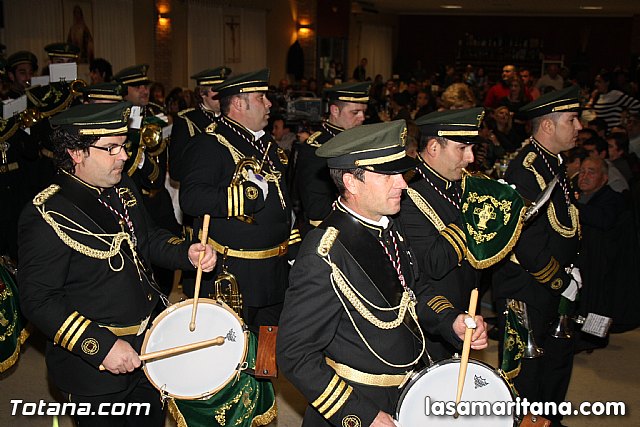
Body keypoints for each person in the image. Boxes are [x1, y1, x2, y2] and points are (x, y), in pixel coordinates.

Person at [277, 120, 488, 427]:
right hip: (361, 399)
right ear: (351, 181)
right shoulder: (325, 252)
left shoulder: (390, 226)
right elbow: (295, 353)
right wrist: (362, 415)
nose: (402, 183)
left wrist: (450, 320)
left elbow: (413, 291)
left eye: (401, 173)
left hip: (406, 388)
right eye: (388, 174)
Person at [17, 102, 216, 426]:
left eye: (123, 146)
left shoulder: (122, 186)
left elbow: (147, 238)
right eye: (111, 148)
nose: (124, 156)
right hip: (93, 366)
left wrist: (186, 253)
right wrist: (102, 347)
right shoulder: (46, 214)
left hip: (150, 345)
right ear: (77, 153)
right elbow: (38, 300)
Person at [493, 86, 583, 427]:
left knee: (556, 363)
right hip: (527, 288)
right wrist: (561, 281)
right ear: (548, 126)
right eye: (572, 120)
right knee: (526, 372)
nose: (578, 127)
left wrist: (573, 271)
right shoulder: (526, 170)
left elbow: (566, 223)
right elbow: (527, 244)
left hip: (554, 284)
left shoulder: (553, 163)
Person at [180, 69, 299, 327]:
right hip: (236, 275)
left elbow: (284, 202)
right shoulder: (211, 144)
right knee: (234, 355)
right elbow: (191, 198)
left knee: (267, 358)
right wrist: (246, 197)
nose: (269, 104)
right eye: (261, 98)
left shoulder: (267, 144)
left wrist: (293, 247)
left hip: (275, 272)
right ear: (237, 103)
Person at [398, 107, 485, 361]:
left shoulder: (462, 183)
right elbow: (434, 263)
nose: (470, 158)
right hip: (431, 318)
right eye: (462, 148)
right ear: (434, 148)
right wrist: (476, 213)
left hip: (466, 304)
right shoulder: (408, 193)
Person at [294, 81, 370, 229]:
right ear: (335, 110)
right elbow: (317, 208)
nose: (362, 117)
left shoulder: (360, 138)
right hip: (335, 227)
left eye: (363, 112)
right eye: (355, 112)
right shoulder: (318, 147)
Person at [169, 66, 231, 183]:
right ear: (202, 93)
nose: (222, 95)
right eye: (217, 90)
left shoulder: (232, 118)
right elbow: (175, 170)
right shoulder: (187, 120)